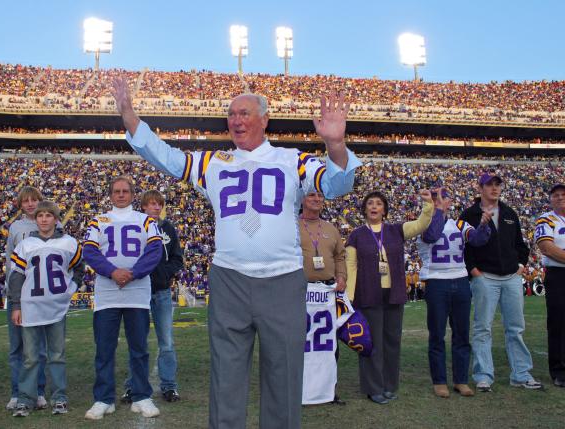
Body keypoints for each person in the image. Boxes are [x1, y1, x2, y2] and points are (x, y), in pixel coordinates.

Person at [113, 77, 361, 429]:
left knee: (284, 372)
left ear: (264, 119)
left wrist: (336, 145)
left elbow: (337, 185)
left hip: (283, 277)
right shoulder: (213, 161)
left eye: (244, 113)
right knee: (226, 374)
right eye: (230, 114)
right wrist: (129, 117)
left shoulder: (293, 160)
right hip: (229, 277)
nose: (235, 120)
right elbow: (168, 158)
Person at [83, 177, 163, 420]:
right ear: (110, 194)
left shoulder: (146, 220)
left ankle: (141, 396)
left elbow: (154, 251)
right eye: (116, 191)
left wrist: (133, 273)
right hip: (107, 295)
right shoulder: (98, 220)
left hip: (137, 295)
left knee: (139, 348)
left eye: (125, 191)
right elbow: (89, 251)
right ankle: (103, 398)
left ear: (132, 194)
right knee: (104, 349)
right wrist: (112, 272)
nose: (120, 195)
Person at [345, 189, 433, 404]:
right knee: (371, 343)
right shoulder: (356, 234)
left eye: (378, 203)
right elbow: (351, 266)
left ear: (384, 209)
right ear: (365, 209)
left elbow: (421, 224)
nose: (374, 206)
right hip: (367, 294)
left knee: (392, 342)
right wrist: (349, 297)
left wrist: (428, 204)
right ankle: (373, 387)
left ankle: (389, 385)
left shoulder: (396, 230)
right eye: (370, 203)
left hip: (394, 294)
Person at [459, 172, 541, 391]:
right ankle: (483, 376)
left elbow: (520, 245)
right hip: (485, 277)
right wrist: (474, 271)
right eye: (489, 185)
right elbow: (463, 247)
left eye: (497, 184)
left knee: (515, 328)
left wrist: (521, 266)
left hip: (511, 277)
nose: (494, 188)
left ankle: (521, 374)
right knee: (482, 328)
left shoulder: (509, 212)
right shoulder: (468, 214)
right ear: (480, 188)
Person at [7, 201, 84, 417]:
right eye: (40, 215)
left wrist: (72, 288)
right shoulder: (26, 244)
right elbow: (17, 276)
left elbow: (79, 267)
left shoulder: (69, 242)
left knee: (57, 354)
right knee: (30, 356)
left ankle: (59, 396)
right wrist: (16, 305)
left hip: (56, 306)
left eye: (48, 215)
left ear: (56, 218)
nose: (43, 219)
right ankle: (26, 398)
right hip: (31, 306)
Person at [417, 188, 491, 398]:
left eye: (441, 197)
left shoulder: (459, 224)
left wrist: (484, 225)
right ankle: (439, 380)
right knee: (437, 334)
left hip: (460, 279)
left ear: (450, 201)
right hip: (436, 281)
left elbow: (477, 240)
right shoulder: (423, 222)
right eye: (433, 197)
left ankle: (461, 380)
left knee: (461, 333)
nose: (438, 200)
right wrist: (438, 211)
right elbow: (431, 236)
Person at [122, 190, 184, 404]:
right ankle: (133, 386)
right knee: (138, 341)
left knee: (166, 342)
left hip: (162, 292)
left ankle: (169, 386)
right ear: (144, 207)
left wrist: (165, 273)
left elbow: (178, 258)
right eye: (151, 204)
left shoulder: (168, 228)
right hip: (139, 291)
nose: (156, 208)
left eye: (159, 204)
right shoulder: (136, 227)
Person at [299, 190, 347, 405]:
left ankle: (329, 390)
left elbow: (340, 255)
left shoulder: (330, 228)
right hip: (299, 292)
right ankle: (298, 389)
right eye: (311, 195)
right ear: (302, 199)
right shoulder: (291, 226)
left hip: (326, 293)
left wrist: (342, 276)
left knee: (328, 345)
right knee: (299, 343)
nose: (317, 199)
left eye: (320, 196)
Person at [4, 186, 48, 411]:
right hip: (17, 293)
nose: (31, 204)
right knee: (17, 347)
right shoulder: (15, 227)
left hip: (39, 294)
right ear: (20, 204)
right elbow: (10, 262)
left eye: (34, 200)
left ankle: (39, 391)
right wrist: (11, 292)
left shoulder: (50, 223)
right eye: (26, 201)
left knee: (39, 348)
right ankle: (17, 391)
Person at [533, 183, 565, 387]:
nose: (560, 197)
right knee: (559, 322)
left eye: (563, 194)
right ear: (550, 199)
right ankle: (559, 370)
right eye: (556, 195)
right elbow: (547, 248)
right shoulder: (546, 219)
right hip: (558, 274)